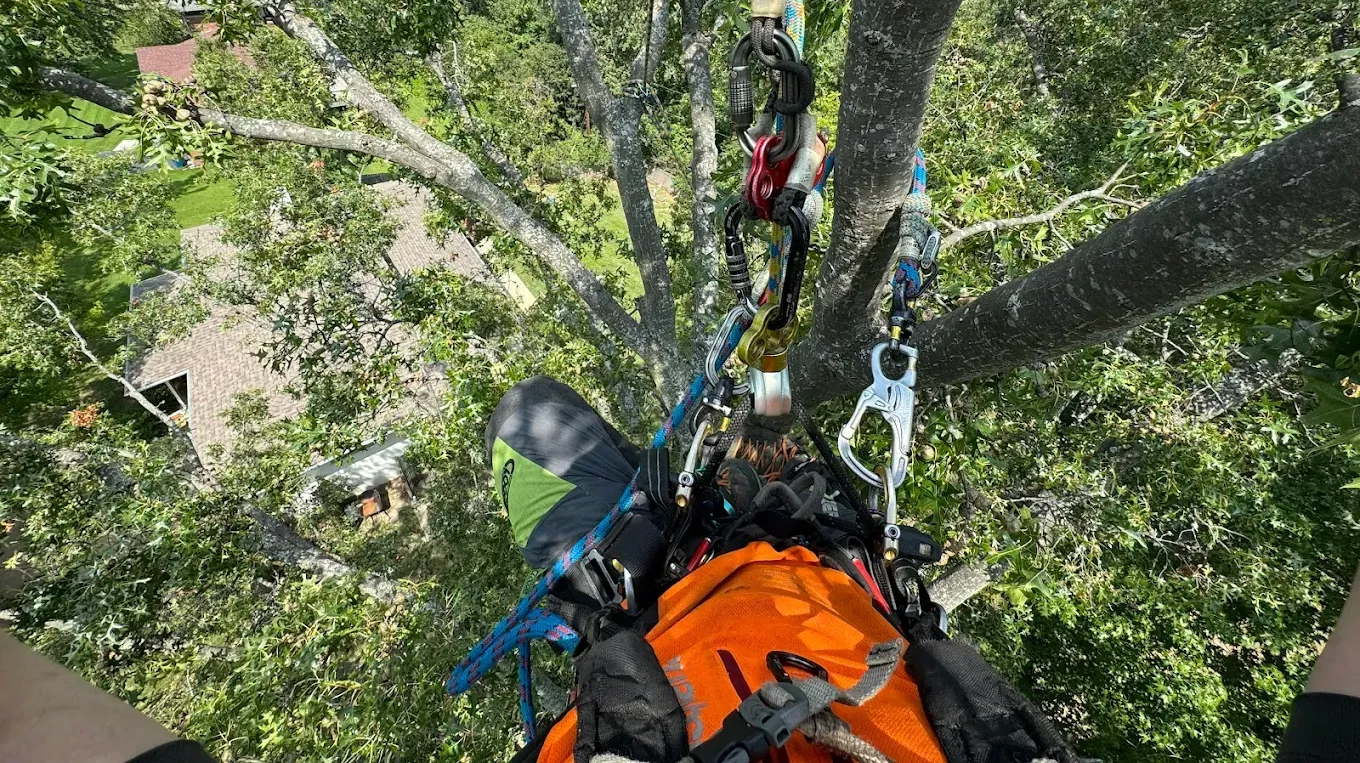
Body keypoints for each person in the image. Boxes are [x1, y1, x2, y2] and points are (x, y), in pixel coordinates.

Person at [3, 375, 1360, 762]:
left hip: (666, 592)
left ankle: (752, 441)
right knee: (747, 443)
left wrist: (615, 620)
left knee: (530, 412)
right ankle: (766, 428)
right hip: (813, 571)